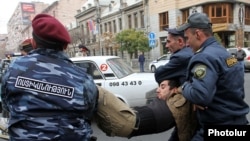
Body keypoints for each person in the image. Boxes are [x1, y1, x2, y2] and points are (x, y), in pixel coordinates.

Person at [1, 14, 98, 141]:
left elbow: (7, 104)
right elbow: (89, 112)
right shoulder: (83, 78)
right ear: (65, 46)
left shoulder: (14, 69)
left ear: (34, 42)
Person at [177, 12, 249, 140]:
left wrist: (185, 86)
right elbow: (228, 82)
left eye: (187, 38)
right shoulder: (225, 54)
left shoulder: (204, 57)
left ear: (198, 34)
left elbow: (199, 96)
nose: (187, 44)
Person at [154, 28, 196, 141]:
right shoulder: (191, 52)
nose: (166, 46)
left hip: (188, 107)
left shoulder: (181, 57)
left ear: (180, 42)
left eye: (168, 41)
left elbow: (159, 74)